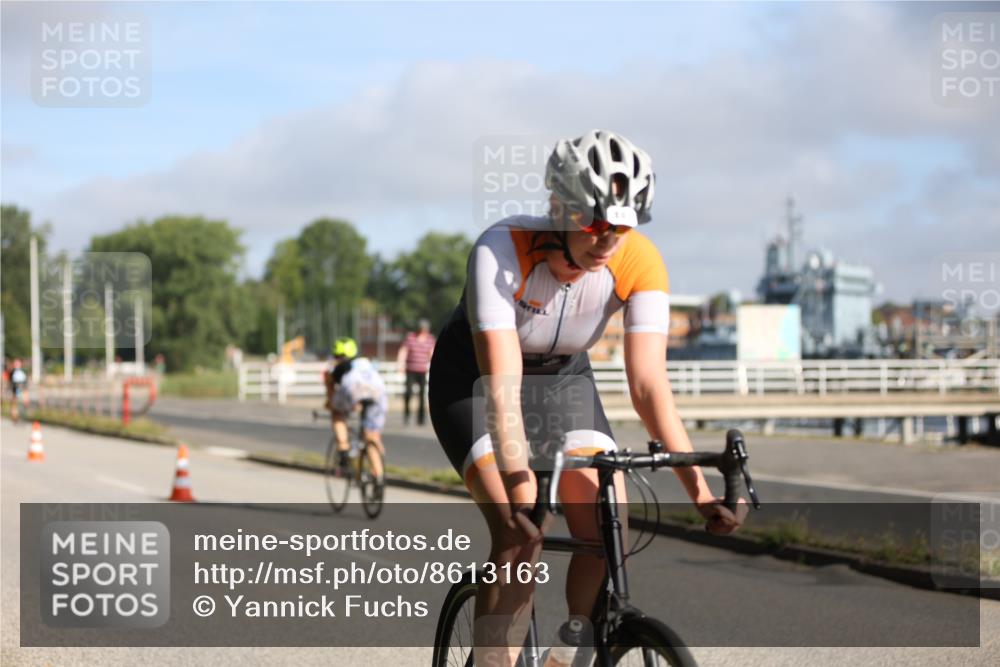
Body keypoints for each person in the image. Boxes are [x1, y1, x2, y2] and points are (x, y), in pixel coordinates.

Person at [429, 130, 748, 666]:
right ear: (558, 208)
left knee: (609, 521)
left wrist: (699, 490)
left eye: (621, 227)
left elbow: (648, 385)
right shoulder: (501, 250)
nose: (607, 240)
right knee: (519, 530)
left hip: (563, 381)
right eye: (595, 223)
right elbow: (502, 387)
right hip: (477, 381)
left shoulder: (638, 261)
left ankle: (562, 658)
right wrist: (519, 477)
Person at [324, 337, 387, 480]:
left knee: (337, 414)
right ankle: (378, 474)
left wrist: (331, 404)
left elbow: (331, 390)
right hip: (378, 391)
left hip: (354, 390)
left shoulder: (339, 367)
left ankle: (343, 447)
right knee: (371, 434)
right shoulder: (365, 362)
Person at [397, 318, 436, 425]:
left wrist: (433, 366)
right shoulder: (411, 338)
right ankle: (407, 415)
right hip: (410, 369)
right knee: (408, 393)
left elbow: (431, 353)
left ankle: (421, 418)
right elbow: (403, 351)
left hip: (422, 370)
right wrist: (400, 364)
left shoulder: (430, 339)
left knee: (422, 395)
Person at [8, 359, 28, 423]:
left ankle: (23, 414)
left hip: (23, 388)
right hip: (16, 389)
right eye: (16, 363)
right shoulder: (12, 372)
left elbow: (25, 382)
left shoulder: (23, 371)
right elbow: (10, 381)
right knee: (15, 402)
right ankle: (15, 416)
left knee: (24, 402)